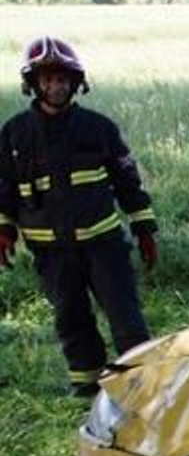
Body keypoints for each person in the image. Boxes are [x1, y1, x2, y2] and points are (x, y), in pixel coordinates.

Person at [0, 36, 159, 397]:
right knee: (71, 321)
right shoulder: (14, 134)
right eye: (47, 80)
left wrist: (144, 227)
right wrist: (4, 230)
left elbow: (126, 181)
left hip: (102, 245)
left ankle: (143, 387)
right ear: (34, 84)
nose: (56, 86)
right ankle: (86, 390)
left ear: (75, 82)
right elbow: (4, 187)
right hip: (51, 252)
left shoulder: (98, 128)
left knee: (126, 319)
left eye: (62, 79)